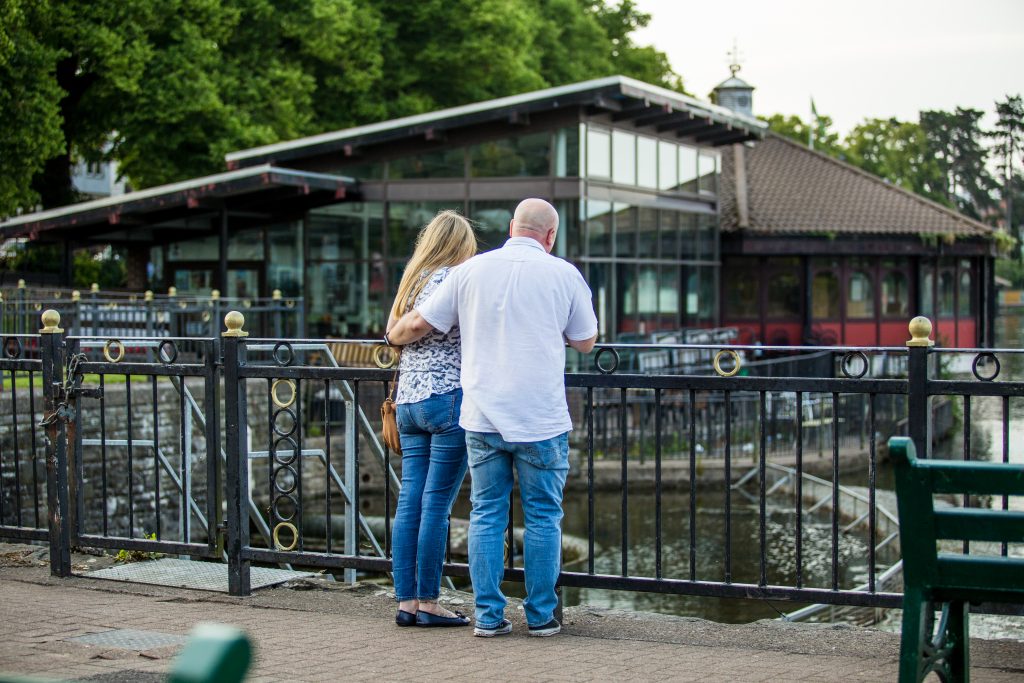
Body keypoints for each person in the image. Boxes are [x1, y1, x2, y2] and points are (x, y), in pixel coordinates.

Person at [387, 198, 598, 638]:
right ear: (551, 235)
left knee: (485, 512)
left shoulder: (470, 271)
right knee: (542, 516)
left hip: (481, 414)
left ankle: (488, 617)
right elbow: (585, 342)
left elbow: (419, 323)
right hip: (540, 417)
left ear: (510, 226)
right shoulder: (565, 274)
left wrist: (393, 334)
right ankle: (541, 617)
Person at [385, 210, 477, 628]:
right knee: (436, 504)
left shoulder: (412, 279)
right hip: (447, 398)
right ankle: (429, 601)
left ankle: (405, 603)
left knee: (410, 500)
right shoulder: (454, 279)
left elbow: (391, 333)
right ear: (461, 245)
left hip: (408, 401)